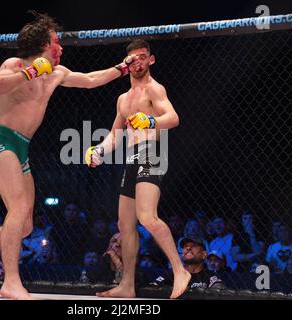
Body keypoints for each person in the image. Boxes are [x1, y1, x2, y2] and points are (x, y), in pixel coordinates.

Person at [0, 11, 138, 300]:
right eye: (56, 42)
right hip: (1, 141)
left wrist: (122, 68)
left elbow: (90, 79)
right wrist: (30, 72)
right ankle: (11, 282)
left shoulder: (57, 73)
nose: (61, 47)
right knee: (17, 209)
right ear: (43, 44)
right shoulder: (15, 64)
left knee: (25, 224)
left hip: (22, 147)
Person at [86, 39, 191, 299]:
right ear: (127, 63)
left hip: (151, 153)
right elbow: (114, 135)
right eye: (133, 58)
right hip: (131, 157)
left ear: (151, 60)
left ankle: (180, 270)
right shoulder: (122, 99)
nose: (138, 62)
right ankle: (127, 285)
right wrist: (97, 150)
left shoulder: (155, 90)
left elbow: (173, 118)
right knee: (125, 225)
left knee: (147, 216)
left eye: (142, 57)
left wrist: (151, 119)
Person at [150, 237, 226, 291]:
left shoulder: (210, 276)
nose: (188, 248)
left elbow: (220, 291)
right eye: (185, 246)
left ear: (204, 255)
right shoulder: (171, 274)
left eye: (193, 246)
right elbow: (151, 289)